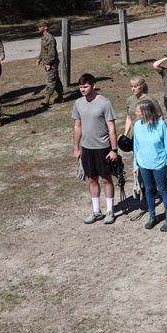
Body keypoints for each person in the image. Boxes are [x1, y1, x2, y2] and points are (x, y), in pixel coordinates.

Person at [71, 73, 119, 224]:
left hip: (103, 148)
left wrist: (114, 150)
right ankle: (96, 211)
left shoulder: (105, 103)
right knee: (91, 179)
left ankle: (110, 211)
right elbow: (77, 127)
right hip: (87, 148)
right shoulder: (78, 103)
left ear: (94, 85)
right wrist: (76, 147)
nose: (82, 90)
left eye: (85, 87)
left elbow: (112, 128)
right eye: (80, 87)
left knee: (106, 179)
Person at [132, 100, 167, 232]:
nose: (135, 113)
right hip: (143, 164)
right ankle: (152, 216)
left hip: (159, 163)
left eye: (137, 111)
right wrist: (135, 165)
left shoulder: (160, 124)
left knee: (163, 191)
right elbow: (136, 147)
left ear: (145, 112)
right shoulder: (137, 126)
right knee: (149, 190)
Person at [35, 19, 64, 105]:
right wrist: (39, 58)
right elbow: (43, 50)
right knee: (56, 80)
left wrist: (48, 63)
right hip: (48, 62)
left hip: (52, 63)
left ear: (46, 27)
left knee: (50, 81)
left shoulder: (50, 39)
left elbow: (52, 54)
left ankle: (46, 99)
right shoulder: (44, 37)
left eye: (40, 26)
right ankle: (60, 96)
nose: (38, 28)